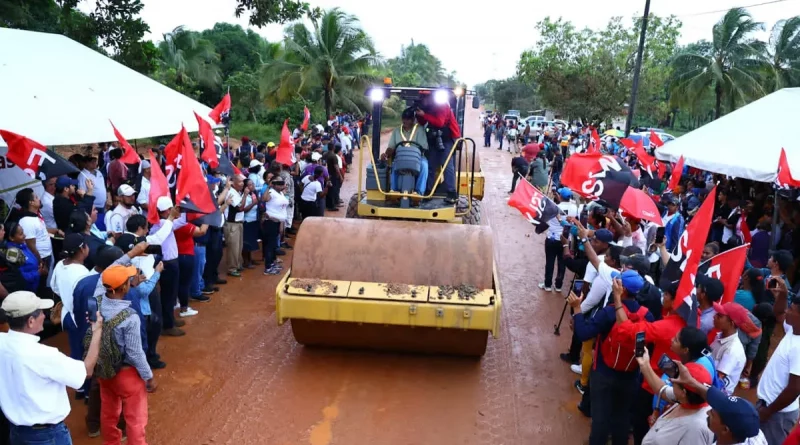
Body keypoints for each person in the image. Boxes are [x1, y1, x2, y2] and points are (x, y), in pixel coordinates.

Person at [0, 290, 103, 445]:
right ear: (30, 321)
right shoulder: (44, 354)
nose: (44, 315)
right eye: (41, 312)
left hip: (16, 432)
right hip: (46, 435)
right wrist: (97, 331)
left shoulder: (3, 342)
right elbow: (86, 371)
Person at [570, 272, 653, 445]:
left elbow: (583, 333)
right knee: (621, 418)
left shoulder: (609, 312)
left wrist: (577, 308)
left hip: (603, 373)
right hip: (630, 376)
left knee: (600, 418)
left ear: (621, 289)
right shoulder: (648, 316)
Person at [97, 265, 156, 445]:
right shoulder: (130, 317)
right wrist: (149, 376)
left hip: (104, 369)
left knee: (108, 413)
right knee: (135, 419)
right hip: (126, 374)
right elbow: (135, 353)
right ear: (124, 288)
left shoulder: (97, 302)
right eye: (129, 281)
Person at [635, 349, 715, 444]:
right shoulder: (687, 399)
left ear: (683, 392)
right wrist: (644, 365)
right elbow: (662, 389)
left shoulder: (696, 428)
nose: (670, 381)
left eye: (674, 382)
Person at [756, 277, 800, 445]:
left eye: (793, 310)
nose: (788, 311)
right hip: (767, 405)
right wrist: (783, 294)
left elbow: (795, 388)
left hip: (777, 413)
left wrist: (768, 411)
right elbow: (779, 313)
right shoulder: (793, 330)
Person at [416, 94, 461, 204]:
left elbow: (440, 122)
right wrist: (418, 114)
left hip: (447, 138)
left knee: (446, 164)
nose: (422, 100)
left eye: (424, 97)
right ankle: (428, 191)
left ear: (430, 98)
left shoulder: (442, 106)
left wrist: (424, 114)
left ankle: (452, 193)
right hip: (434, 139)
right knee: (430, 164)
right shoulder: (427, 108)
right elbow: (422, 123)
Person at [538, 188, 579, 293]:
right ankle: (558, 286)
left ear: (560, 196)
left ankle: (547, 285)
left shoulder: (554, 208)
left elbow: (544, 219)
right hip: (565, 240)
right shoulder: (575, 208)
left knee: (550, 262)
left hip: (552, 239)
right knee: (562, 263)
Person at [387, 107, 429, 196]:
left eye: (408, 119)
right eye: (404, 118)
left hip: (417, 158)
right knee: (394, 165)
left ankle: (419, 192)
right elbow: (391, 147)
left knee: (424, 165)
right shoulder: (396, 131)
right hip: (400, 157)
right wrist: (386, 154)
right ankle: (394, 190)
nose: (405, 121)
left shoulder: (420, 129)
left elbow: (424, 147)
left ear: (413, 120)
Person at [710, 302, 750, 394]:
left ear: (731, 323)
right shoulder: (720, 336)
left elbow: (718, 379)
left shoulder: (732, 350)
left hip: (716, 395)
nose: (714, 317)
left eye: (719, 316)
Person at [3, 220, 42, 293]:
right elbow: (19, 276)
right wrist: (37, 273)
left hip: (33, 285)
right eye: (21, 234)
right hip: (25, 291)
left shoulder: (22, 245)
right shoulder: (12, 254)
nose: (24, 235)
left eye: (23, 232)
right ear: (12, 238)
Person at [261, 177, 289, 275]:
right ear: (274, 184)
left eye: (282, 183)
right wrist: (269, 186)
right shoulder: (271, 192)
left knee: (273, 246)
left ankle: (272, 263)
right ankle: (268, 268)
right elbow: (264, 199)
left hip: (277, 222)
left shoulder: (280, 193)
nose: (281, 185)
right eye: (279, 184)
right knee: (269, 246)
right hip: (270, 222)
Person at [78, 155, 110, 232]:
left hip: (103, 204)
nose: (95, 163)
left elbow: (103, 186)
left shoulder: (99, 172)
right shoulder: (82, 175)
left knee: (103, 224)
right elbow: (82, 192)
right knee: (95, 226)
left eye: (95, 161)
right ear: (86, 163)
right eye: (92, 162)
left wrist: (107, 198)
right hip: (93, 207)